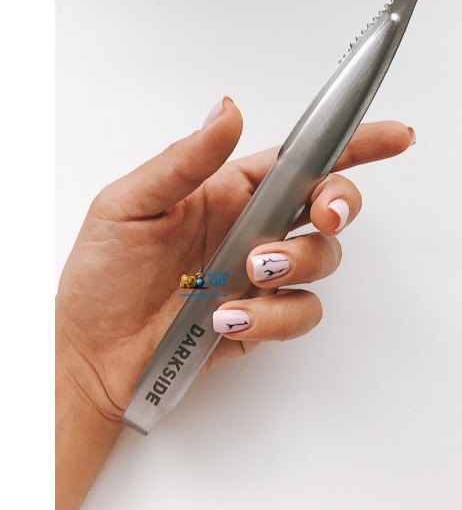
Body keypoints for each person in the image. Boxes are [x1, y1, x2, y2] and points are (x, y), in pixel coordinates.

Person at [55, 97, 416, 508]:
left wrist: (84, 375)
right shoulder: (191, 280)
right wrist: (81, 368)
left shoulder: (194, 282)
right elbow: (199, 285)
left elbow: (197, 285)